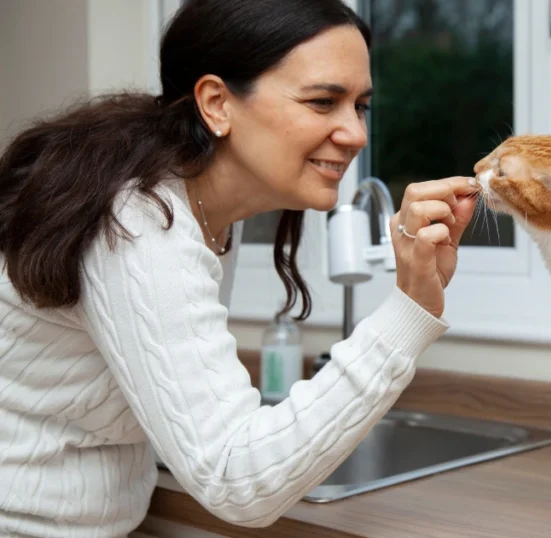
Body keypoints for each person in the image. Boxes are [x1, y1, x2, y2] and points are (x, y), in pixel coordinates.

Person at [0, 1, 478, 536]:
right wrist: (409, 311)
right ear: (217, 104)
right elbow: (236, 483)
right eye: (323, 102)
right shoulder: (140, 225)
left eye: (361, 107)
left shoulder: (205, 208)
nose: (356, 134)